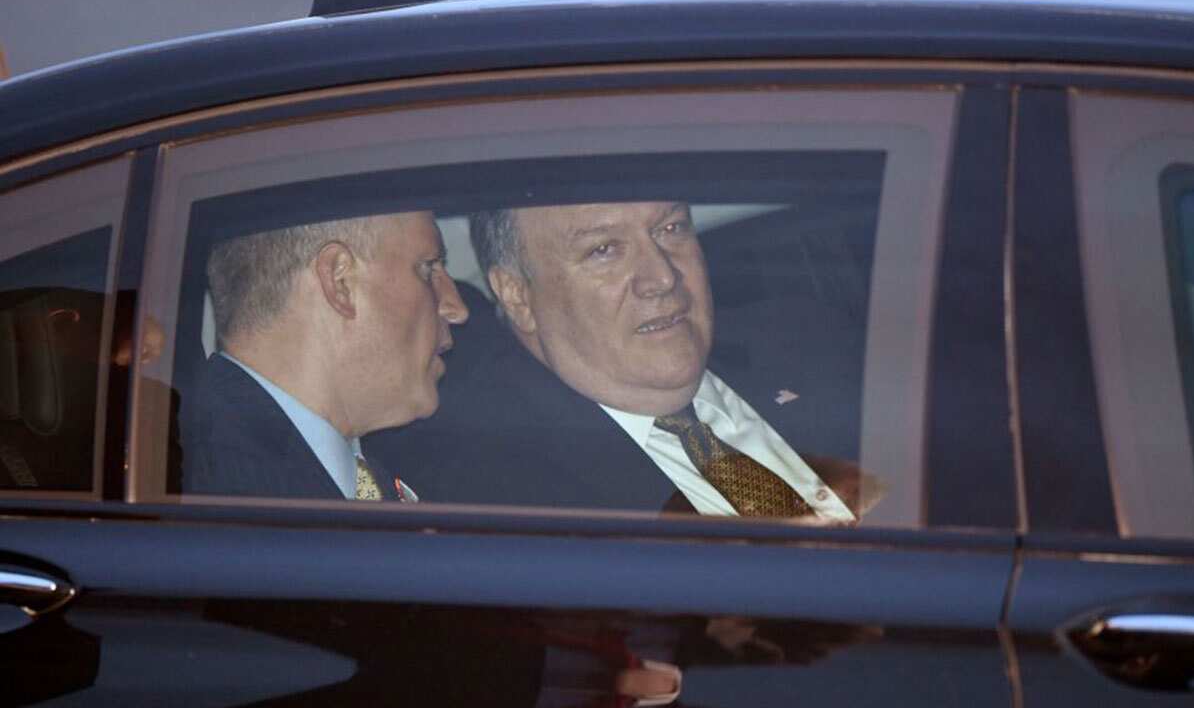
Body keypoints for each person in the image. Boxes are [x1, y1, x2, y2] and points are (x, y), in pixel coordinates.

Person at [368, 201, 883, 519]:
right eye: (604, 250)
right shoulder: (489, 490)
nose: (662, 277)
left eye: (671, 229)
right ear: (517, 295)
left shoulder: (811, 339)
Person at [182, 210, 468, 500]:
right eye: (428, 269)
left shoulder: (218, 470)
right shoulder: (209, 488)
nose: (457, 309)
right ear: (339, 281)